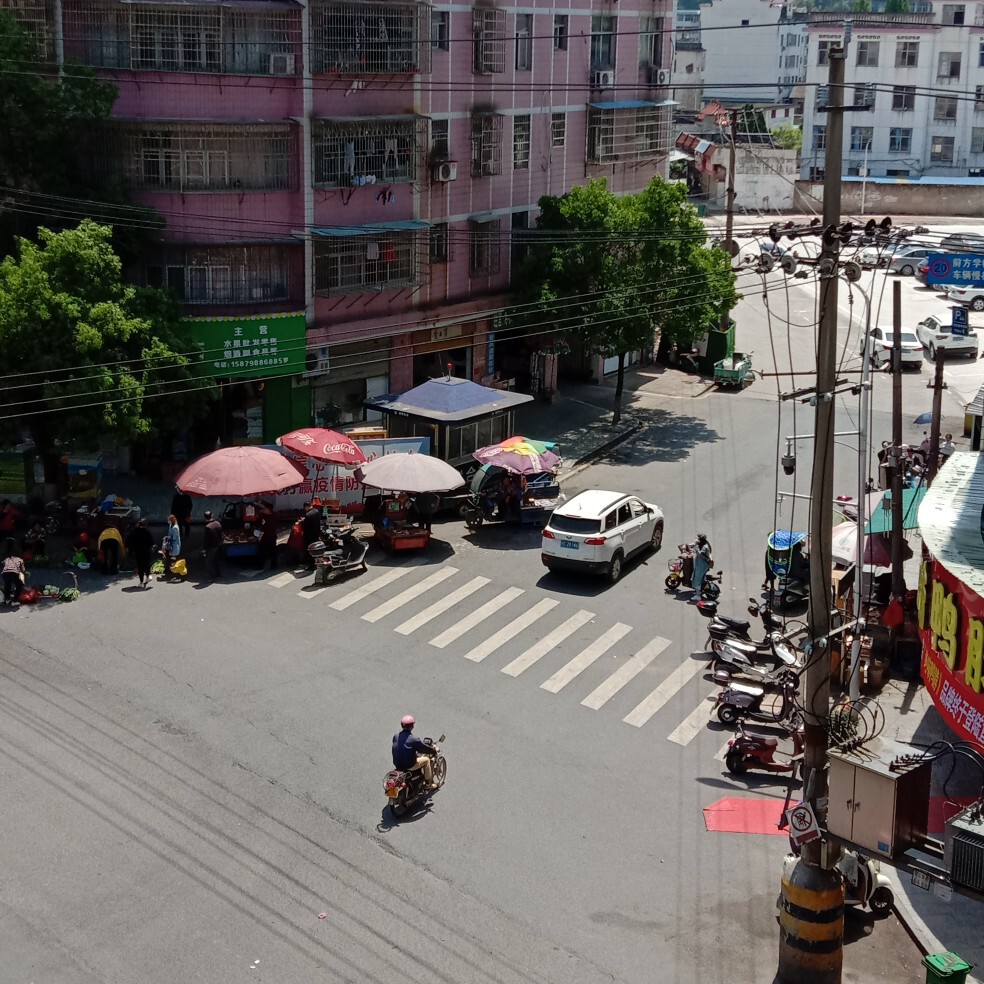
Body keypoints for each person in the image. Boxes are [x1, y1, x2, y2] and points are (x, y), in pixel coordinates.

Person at [391, 715, 437, 789]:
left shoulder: (396, 736)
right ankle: (428, 784)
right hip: (410, 765)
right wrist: (433, 751)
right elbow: (423, 748)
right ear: (412, 726)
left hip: (397, 764)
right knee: (427, 760)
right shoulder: (414, 739)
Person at [126, 518, 155, 588]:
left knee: (140, 566)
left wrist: (130, 550)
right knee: (147, 565)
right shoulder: (147, 532)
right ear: (145, 524)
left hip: (138, 552)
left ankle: (141, 582)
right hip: (146, 552)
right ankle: (148, 577)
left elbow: (128, 541)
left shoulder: (134, 532)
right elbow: (151, 542)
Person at [202, 510, 223, 580]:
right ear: (212, 515)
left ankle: (211, 577)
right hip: (218, 546)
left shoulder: (208, 527)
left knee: (208, 562)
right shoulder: (218, 524)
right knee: (216, 560)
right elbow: (221, 535)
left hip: (211, 547)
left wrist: (204, 549)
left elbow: (206, 539)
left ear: (205, 518)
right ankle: (218, 574)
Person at [691, 532, 712, 602]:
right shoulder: (704, 544)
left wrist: (696, 549)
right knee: (700, 578)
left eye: (698, 539)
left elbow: (701, 554)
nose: (697, 539)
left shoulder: (704, 547)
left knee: (697, 580)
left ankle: (698, 596)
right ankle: (699, 591)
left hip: (701, 565)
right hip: (701, 565)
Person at [160, 514, 182, 581]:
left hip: (174, 547)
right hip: (171, 546)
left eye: (169, 520)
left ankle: (175, 575)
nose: (168, 521)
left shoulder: (175, 528)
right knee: (171, 560)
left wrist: (168, 538)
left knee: (173, 561)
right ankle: (172, 573)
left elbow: (174, 538)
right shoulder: (171, 526)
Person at [257, 502, 278, 570]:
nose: (263, 510)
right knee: (273, 551)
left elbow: (264, 529)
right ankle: (274, 565)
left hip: (266, 537)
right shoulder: (274, 516)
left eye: (265, 509)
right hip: (273, 536)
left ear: (268, 509)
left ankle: (260, 566)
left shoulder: (268, 518)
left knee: (262, 552)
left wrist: (260, 537)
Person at [302, 500, 322, 568]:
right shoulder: (316, 511)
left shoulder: (308, 515)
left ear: (306, 507)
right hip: (316, 533)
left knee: (310, 550)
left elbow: (305, 527)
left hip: (309, 536)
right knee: (316, 549)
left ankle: (311, 566)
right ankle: (317, 563)